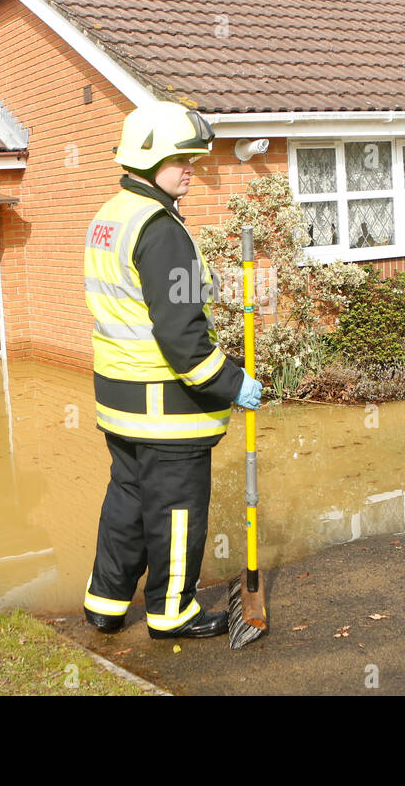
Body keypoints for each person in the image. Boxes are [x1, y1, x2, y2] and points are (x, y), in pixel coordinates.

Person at [82, 101, 264, 639]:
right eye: (181, 159)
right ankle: (171, 613)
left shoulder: (108, 218)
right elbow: (182, 340)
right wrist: (234, 383)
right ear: (149, 158)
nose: (192, 168)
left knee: (127, 504)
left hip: (119, 402)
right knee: (177, 514)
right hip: (166, 410)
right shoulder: (161, 230)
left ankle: (105, 604)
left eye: (194, 158)